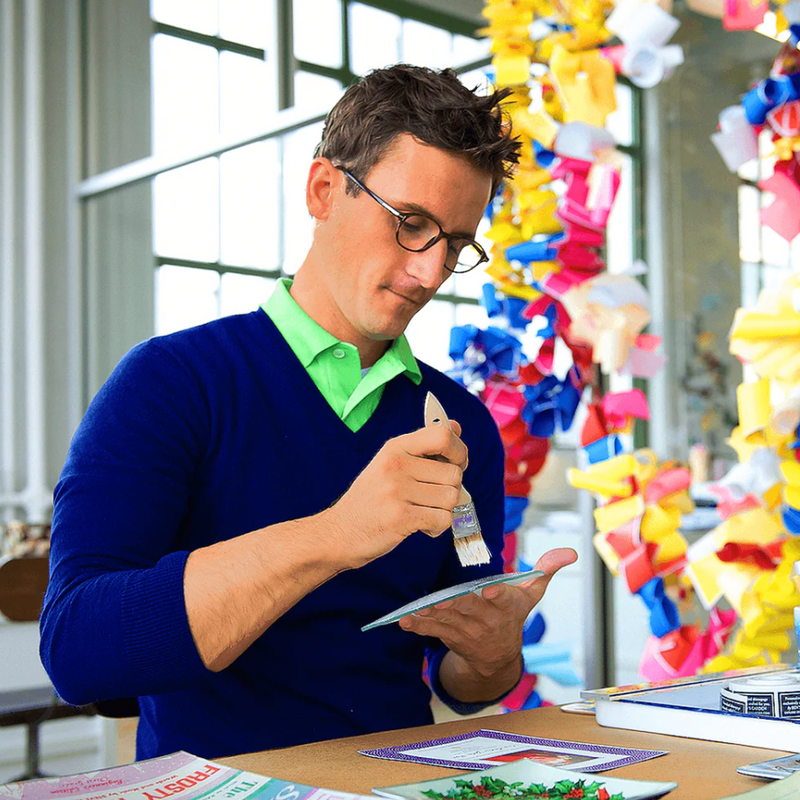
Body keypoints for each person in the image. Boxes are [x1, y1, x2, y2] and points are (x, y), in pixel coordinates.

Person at [40, 64, 577, 761]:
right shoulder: (170, 384)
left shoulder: (461, 424)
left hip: (397, 780)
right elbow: (78, 652)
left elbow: (466, 680)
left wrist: (494, 654)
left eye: (456, 244)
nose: (430, 273)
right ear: (324, 190)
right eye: (411, 224)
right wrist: (337, 533)